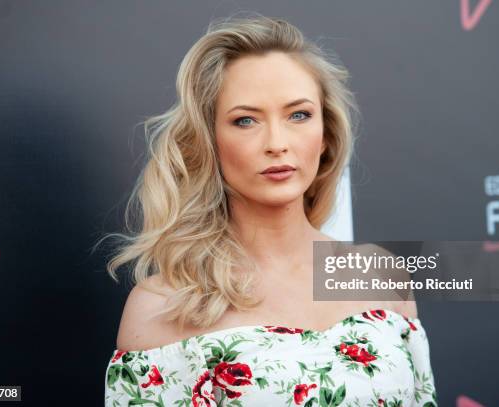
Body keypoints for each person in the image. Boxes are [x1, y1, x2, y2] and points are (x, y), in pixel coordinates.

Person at [103, 14, 437, 406]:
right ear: (208, 140)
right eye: (245, 120)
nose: (277, 143)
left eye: (299, 115)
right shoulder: (162, 306)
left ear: (327, 133)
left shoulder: (379, 275)